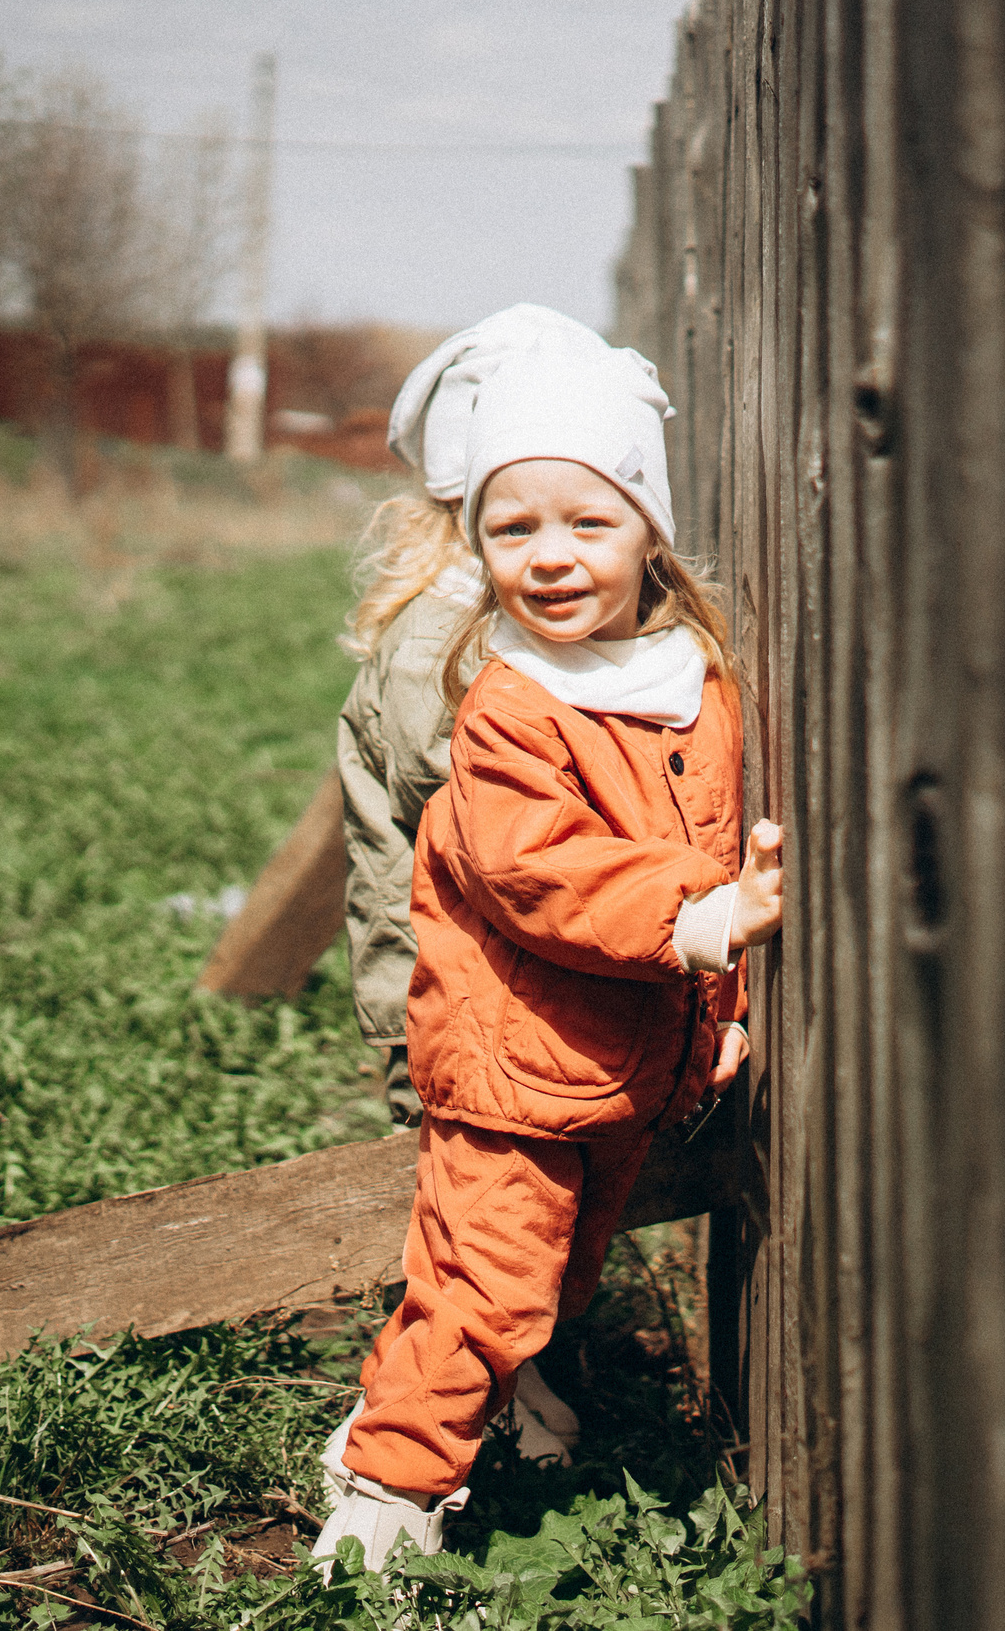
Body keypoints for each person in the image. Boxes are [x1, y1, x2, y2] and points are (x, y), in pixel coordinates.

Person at [312, 311, 785, 1577]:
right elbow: (536, 870)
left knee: (550, 1281)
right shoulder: (508, 700)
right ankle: (378, 1517)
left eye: (588, 522)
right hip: (515, 1064)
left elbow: (707, 839)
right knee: (488, 1288)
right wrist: (697, 923)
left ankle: (406, 1428)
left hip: (615, 1064)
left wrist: (718, 1006)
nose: (553, 557)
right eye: (513, 529)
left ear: (649, 528)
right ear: (474, 541)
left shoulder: (688, 680)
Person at [333, 305, 622, 1463]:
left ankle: (510, 1370)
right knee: (486, 1224)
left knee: (522, 1214)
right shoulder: (441, 651)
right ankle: (422, 1442)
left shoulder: (506, 626)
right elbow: (505, 840)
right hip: (455, 1000)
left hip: (506, 989)